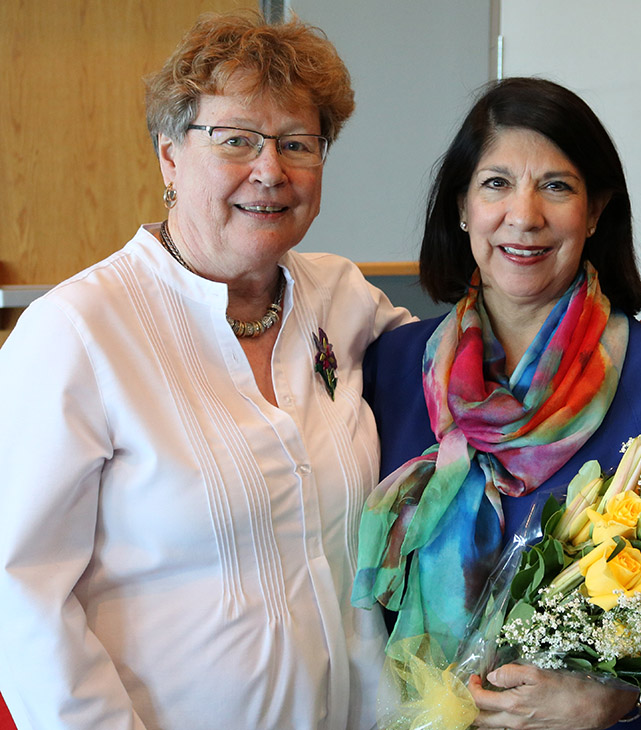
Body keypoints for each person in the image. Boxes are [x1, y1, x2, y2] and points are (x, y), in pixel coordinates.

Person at [0, 12, 412, 730]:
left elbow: (471, 367)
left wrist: (608, 342)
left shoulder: (344, 299)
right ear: (169, 156)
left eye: (297, 144)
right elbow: (20, 599)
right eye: (236, 140)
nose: (270, 170)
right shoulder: (77, 334)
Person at [353, 77, 641, 730]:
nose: (524, 215)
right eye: (496, 183)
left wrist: (618, 698)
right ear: (462, 208)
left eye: (556, 186)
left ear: (597, 210)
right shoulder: (390, 368)